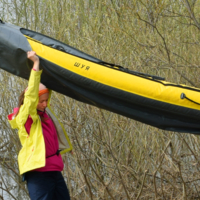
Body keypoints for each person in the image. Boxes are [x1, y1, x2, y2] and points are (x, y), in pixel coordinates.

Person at [8, 51, 72, 200]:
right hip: (38, 172)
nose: (45, 104)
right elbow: (31, 95)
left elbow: (51, 135)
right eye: (41, 101)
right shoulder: (27, 117)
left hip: (54, 170)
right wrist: (36, 64)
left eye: (46, 100)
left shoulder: (44, 113)